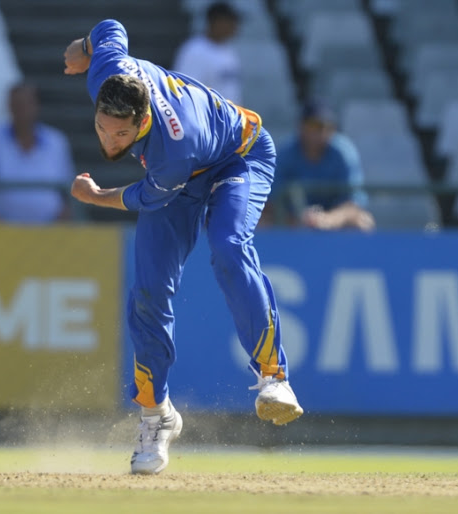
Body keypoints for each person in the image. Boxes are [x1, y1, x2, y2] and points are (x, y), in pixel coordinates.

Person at [63, 19, 302, 475]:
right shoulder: (107, 73)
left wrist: (95, 196)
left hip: (237, 157)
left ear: (144, 118)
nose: (109, 142)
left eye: (120, 135)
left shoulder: (173, 147)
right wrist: (83, 46)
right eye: (102, 129)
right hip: (179, 174)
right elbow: (111, 28)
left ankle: (274, 376)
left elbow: (140, 196)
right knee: (149, 291)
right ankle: (157, 416)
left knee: (228, 247)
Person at [0, 83, 74, 223]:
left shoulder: (56, 142)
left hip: (49, 232)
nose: (20, 110)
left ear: (36, 106)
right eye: (15, 104)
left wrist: (62, 223)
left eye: (25, 104)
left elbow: (67, 189)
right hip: (1, 230)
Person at [272, 101, 375, 231]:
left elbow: (353, 204)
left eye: (328, 127)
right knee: (257, 222)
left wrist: (326, 219)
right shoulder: (285, 153)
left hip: (334, 220)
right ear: (301, 126)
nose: (322, 132)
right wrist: (298, 219)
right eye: (314, 125)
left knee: (363, 221)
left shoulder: (343, 152)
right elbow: (270, 202)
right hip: (291, 222)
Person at [173, 2, 241, 104]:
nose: (235, 26)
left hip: (229, 117)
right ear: (216, 22)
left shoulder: (228, 50)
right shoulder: (195, 50)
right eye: (231, 21)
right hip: (208, 118)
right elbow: (184, 90)